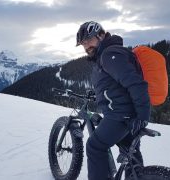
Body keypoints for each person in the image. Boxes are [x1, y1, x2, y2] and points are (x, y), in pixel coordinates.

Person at [76, 21, 150, 180]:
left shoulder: (109, 55)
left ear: (101, 35)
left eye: (89, 40)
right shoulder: (108, 54)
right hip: (129, 116)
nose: (86, 46)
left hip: (120, 117)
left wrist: (143, 117)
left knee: (94, 147)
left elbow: (136, 84)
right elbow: (116, 86)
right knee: (131, 154)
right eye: (83, 43)